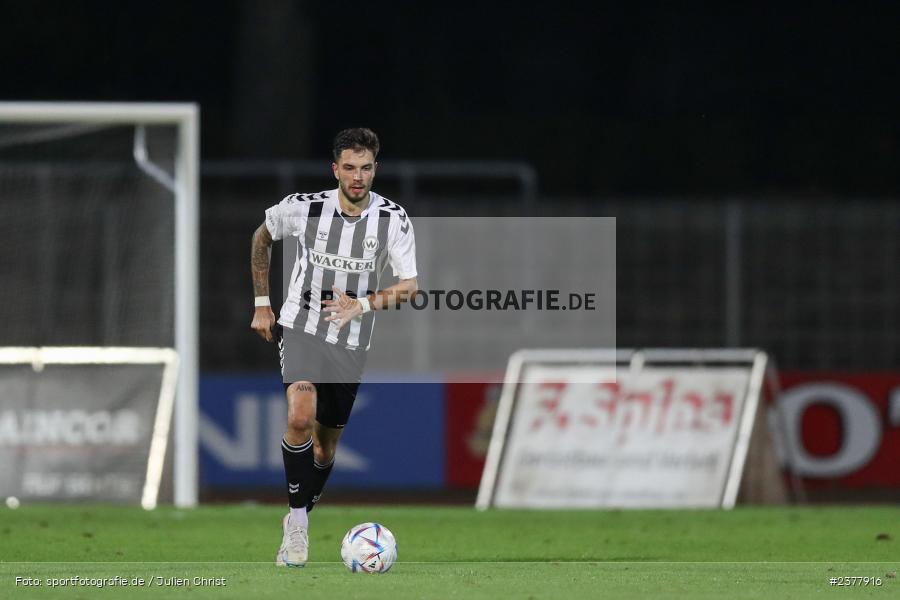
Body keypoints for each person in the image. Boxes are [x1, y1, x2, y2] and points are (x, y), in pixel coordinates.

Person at [250, 128, 418, 567]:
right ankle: (298, 523)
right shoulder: (304, 208)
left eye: (365, 168)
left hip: (353, 341)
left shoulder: (393, 219)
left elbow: (409, 287)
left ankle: (300, 512)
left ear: (375, 169)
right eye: (349, 167)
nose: (358, 177)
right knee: (299, 415)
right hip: (302, 325)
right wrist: (262, 304)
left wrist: (360, 305)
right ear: (335, 169)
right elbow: (261, 237)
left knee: (324, 450)